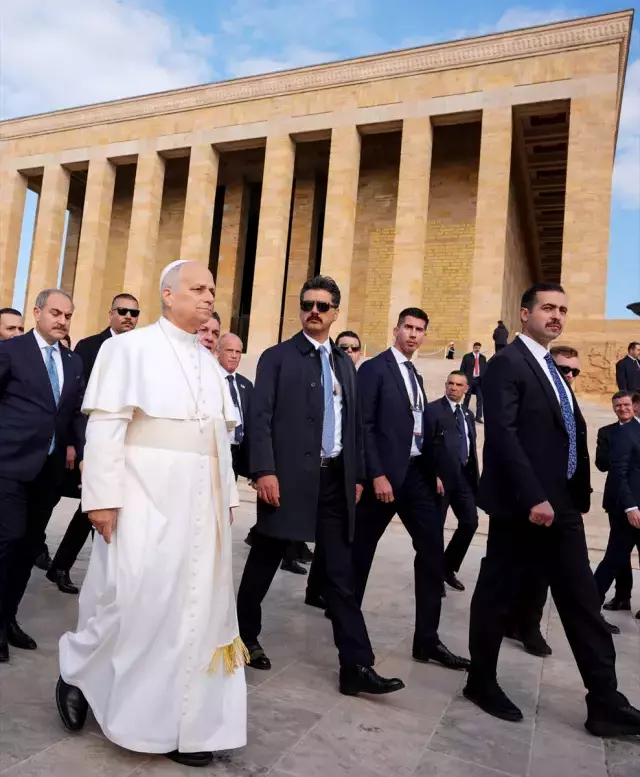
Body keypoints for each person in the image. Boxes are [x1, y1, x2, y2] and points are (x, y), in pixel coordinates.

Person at [56, 260, 246, 768]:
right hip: (143, 496)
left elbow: (218, 439)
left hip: (200, 508)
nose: (208, 297)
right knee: (131, 599)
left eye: (211, 290)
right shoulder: (128, 349)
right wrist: (101, 498)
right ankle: (77, 672)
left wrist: (227, 498)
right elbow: (106, 426)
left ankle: (180, 725)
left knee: (191, 613)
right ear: (168, 294)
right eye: (197, 288)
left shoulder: (210, 364)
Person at [465, 281, 640, 738]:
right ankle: (480, 681)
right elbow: (503, 435)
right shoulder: (508, 363)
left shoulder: (550, 367)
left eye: (562, 309)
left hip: (560, 507)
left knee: (582, 601)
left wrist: (570, 497)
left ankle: (605, 701)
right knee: (497, 594)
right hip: (522, 507)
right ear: (525, 314)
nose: (556, 315)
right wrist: (532, 496)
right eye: (547, 308)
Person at [236, 275, 404, 697]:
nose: (314, 311)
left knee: (340, 573)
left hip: (334, 481)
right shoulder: (277, 357)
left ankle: (356, 665)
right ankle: (243, 636)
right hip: (287, 478)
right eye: (308, 304)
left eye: (323, 306)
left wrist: (357, 477)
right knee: (265, 559)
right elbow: (260, 417)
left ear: (335, 312)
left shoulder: (345, 364)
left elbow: (354, 426)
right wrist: (264, 470)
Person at [352, 308, 469, 671]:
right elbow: (363, 425)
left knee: (432, 553)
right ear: (396, 329)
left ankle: (427, 641)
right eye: (408, 327)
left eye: (420, 329)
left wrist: (433, 472)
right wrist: (375, 474)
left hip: (416, 475)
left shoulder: (414, 374)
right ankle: (348, 631)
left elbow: (417, 428)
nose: (414, 334)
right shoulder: (374, 369)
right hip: (384, 478)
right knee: (360, 554)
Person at [0, 289, 85, 663]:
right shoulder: (11, 351)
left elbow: (75, 414)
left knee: (28, 545)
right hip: (9, 465)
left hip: (47, 473)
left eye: (68, 315)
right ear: (37, 312)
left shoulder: (73, 361)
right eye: (55, 313)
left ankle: (8, 619)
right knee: (7, 539)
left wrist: (84, 453)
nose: (62, 320)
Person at [46, 294, 141, 594]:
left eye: (134, 313)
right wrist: (75, 445)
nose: (129, 317)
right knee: (93, 505)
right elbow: (76, 401)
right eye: (123, 311)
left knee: (98, 505)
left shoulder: (140, 350)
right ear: (111, 313)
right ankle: (61, 564)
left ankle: (68, 567)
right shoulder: (89, 347)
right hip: (91, 440)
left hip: (126, 441)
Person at [505, 344, 585, 655]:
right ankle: (517, 623)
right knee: (521, 566)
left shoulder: (569, 399)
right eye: (564, 369)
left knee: (543, 570)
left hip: (564, 497)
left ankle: (527, 624)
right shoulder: (536, 395)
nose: (570, 375)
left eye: (574, 371)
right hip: (533, 496)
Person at [428, 370, 479, 592]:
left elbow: (471, 446)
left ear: (466, 389)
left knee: (470, 522)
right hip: (440, 480)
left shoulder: (467, 414)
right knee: (435, 529)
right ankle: (433, 578)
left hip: (463, 478)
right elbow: (425, 446)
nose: (453, 388)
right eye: (450, 383)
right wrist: (433, 474)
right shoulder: (433, 411)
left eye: (459, 385)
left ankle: (447, 567)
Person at [594, 392, 640, 621]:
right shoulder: (614, 433)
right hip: (623, 504)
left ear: (634, 406)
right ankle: (592, 602)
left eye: (626, 404)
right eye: (618, 405)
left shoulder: (635, 430)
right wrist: (630, 507)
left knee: (617, 554)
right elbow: (611, 469)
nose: (622, 408)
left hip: (634, 502)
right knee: (616, 556)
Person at [460, 342, 487, 423]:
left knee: (480, 398)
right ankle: (464, 413)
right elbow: (462, 368)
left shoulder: (483, 358)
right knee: (467, 397)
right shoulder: (467, 357)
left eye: (479, 348)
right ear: (473, 347)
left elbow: (485, 369)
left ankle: (478, 416)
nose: (477, 349)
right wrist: (462, 379)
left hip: (479, 381)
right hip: (469, 380)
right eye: (476, 348)